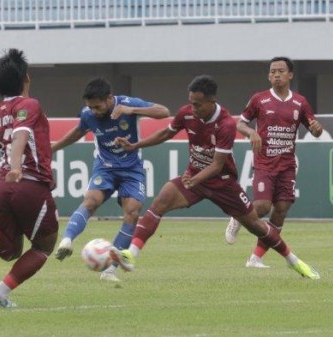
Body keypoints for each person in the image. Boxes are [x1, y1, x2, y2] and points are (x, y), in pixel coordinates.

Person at [112, 75, 320, 280]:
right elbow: (165, 134)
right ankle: (131, 254)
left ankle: (294, 261)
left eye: (198, 105)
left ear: (212, 102)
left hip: (223, 184)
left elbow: (217, 165)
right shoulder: (186, 113)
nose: (193, 109)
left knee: (257, 225)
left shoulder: (226, 124)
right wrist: (135, 145)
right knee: (160, 201)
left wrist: (196, 179)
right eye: (191, 103)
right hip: (194, 178)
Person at [52, 77, 170, 282]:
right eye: (90, 107)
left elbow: (164, 112)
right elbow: (78, 131)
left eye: (97, 106)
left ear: (109, 98)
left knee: (132, 212)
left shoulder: (128, 104)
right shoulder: (89, 114)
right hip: (105, 168)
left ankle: (110, 270)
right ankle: (67, 241)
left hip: (132, 168)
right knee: (90, 201)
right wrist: (52, 148)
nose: (94, 111)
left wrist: (131, 111)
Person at [0, 49, 59, 307]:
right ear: (27, 79)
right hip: (28, 185)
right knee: (44, 247)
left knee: (12, 251)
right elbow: (21, 134)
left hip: (3, 188)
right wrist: (16, 166)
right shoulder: (28, 105)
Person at [224, 56, 323, 268]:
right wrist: (251, 132)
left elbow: (314, 128)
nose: (275, 74)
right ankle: (237, 218)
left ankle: (255, 258)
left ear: (290, 75)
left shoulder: (300, 102)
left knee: (280, 211)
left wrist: (317, 129)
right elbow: (240, 123)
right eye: (272, 71)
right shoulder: (259, 99)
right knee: (261, 207)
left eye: (280, 71)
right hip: (265, 163)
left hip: (287, 165)